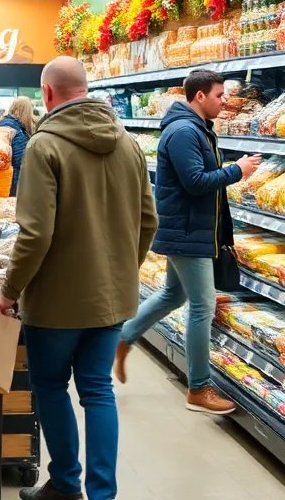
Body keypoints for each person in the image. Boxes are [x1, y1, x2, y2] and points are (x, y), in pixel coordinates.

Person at [0, 57, 158, 500]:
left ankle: (65, 485)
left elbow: (35, 233)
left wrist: (9, 290)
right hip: (111, 299)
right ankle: (102, 494)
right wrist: (122, 270)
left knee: (50, 386)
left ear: (47, 94)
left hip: (56, 303)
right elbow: (148, 220)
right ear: (86, 89)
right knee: (98, 391)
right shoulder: (128, 145)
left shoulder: (45, 147)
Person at [113, 69, 261, 415]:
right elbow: (195, 181)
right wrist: (237, 171)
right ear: (199, 97)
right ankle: (198, 389)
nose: (225, 101)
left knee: (173, 294)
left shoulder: (196, 129)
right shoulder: (183, 132)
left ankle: (123, 337)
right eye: (219, 95)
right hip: (186, 232)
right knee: (202, 306)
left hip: (190, 229)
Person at [0, 96, 34, 195]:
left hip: (5, 180)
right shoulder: (15, 129)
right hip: (13, 183)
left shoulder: (7, 124)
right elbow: (21, 161)